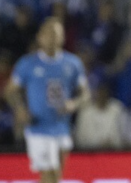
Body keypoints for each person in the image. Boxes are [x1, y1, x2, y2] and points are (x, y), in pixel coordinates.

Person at [4, 18, 90, 183]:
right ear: (40, 37)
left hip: (62, 126)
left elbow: (85, 93)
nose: (52, 37)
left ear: (63, 37)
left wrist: (74, 103)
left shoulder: (73, 64)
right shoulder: (28, 64)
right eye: (48, 33)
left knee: (56, 175)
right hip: (38, 128)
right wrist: (20, 109)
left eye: (56, 34)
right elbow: (10, 91)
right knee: (48, 174)